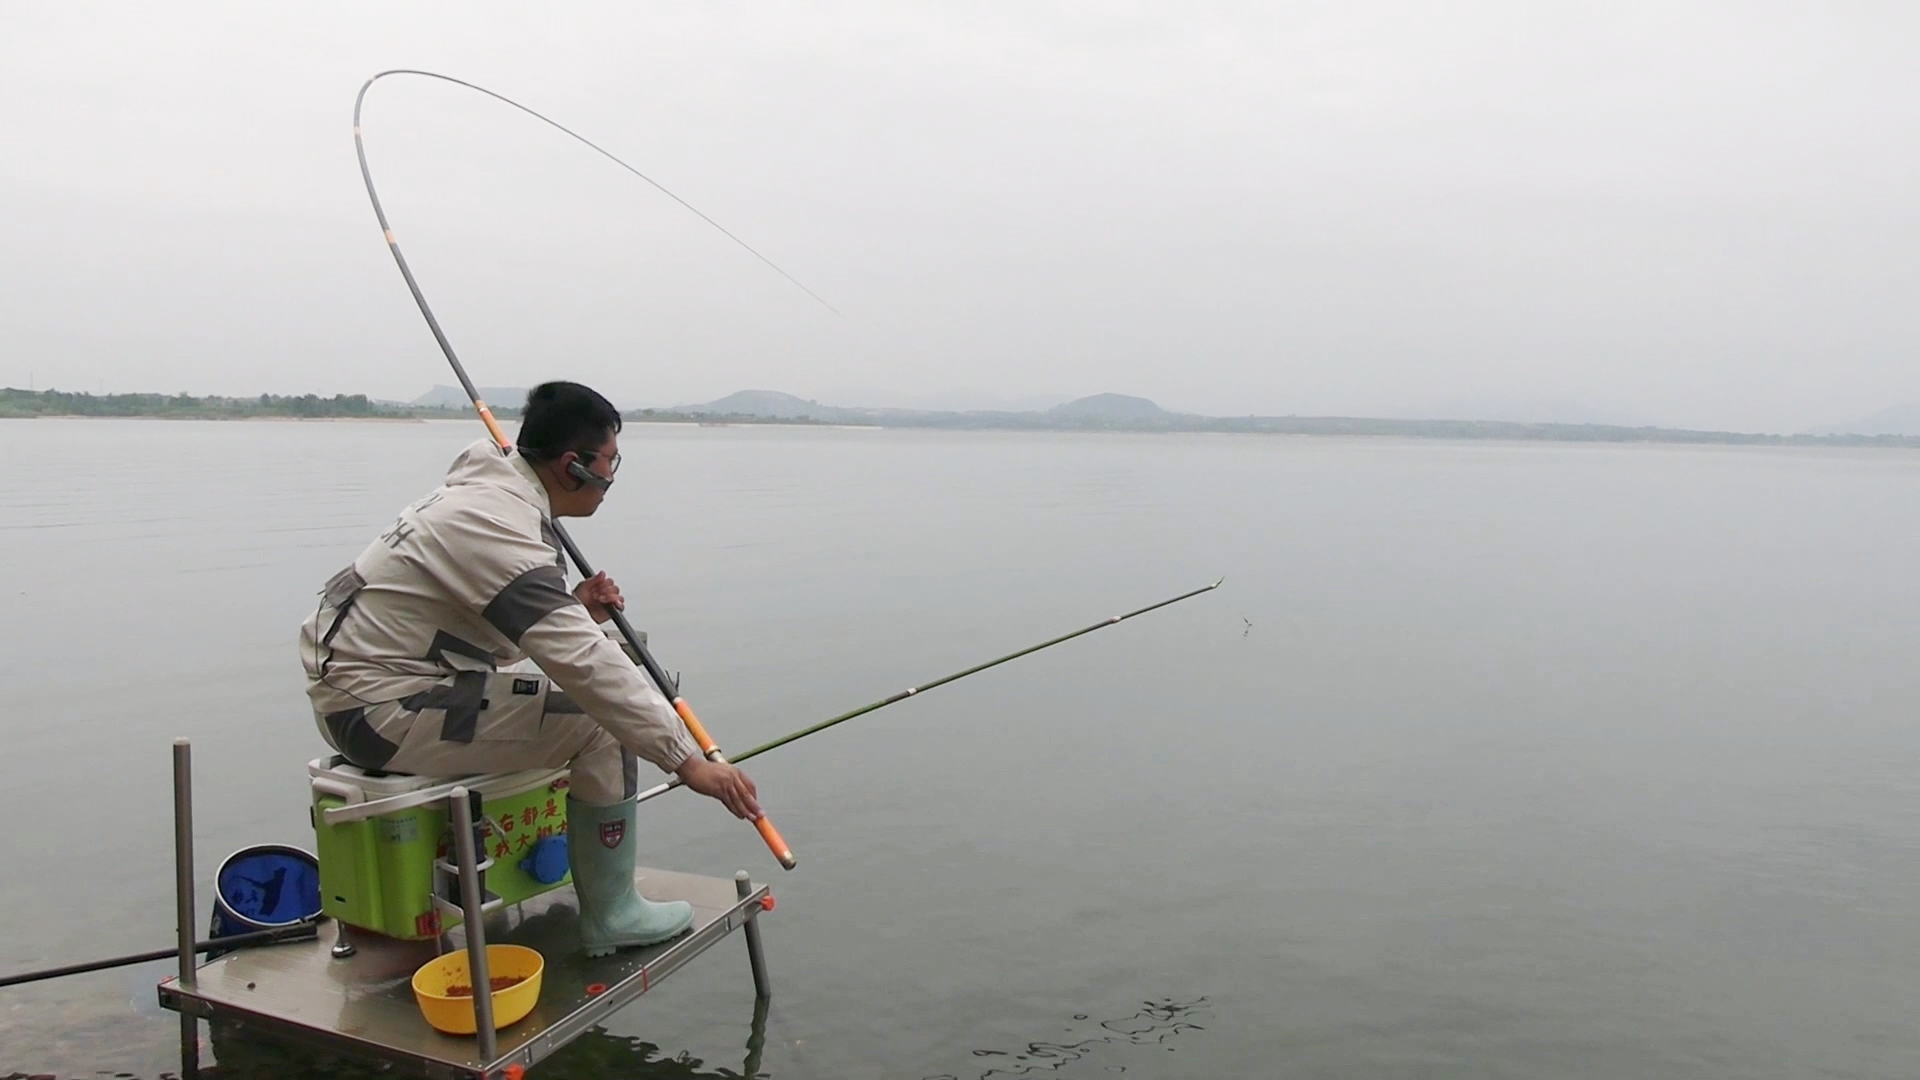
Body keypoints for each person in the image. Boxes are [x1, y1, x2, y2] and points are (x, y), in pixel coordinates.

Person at [299, 381, 762, 955]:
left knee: (612, 668)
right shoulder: (495, 525)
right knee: (603, 720)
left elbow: (481, 636)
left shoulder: (486, 500)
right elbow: (586, 666)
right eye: (611, 461)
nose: (614, 477)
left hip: (383, 691)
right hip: (382, 710)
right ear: (574, 466)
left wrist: (576, 609)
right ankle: (613, 914)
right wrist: (686, 760)